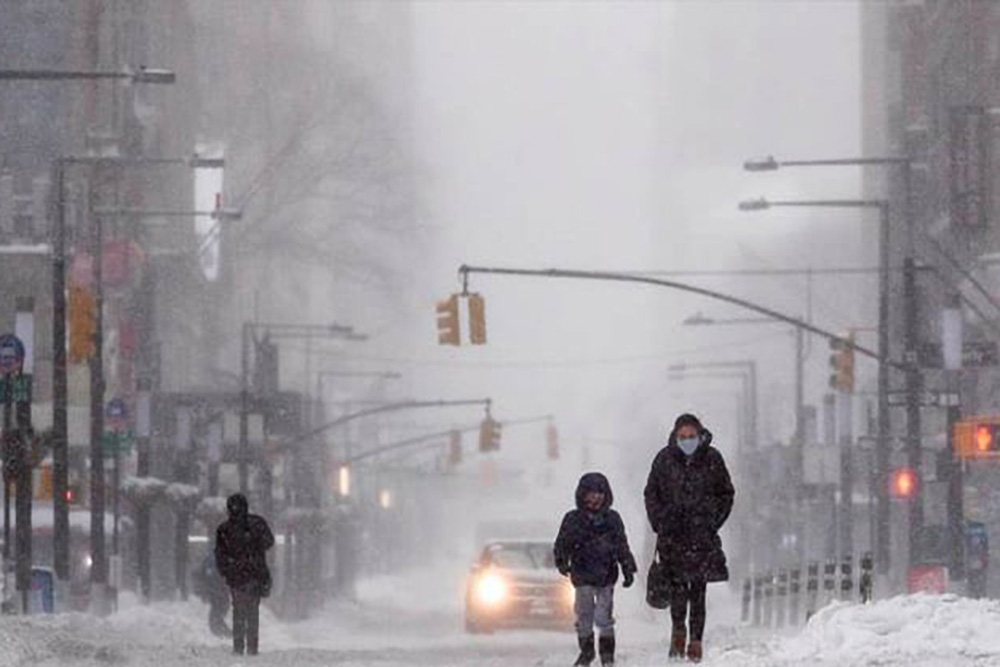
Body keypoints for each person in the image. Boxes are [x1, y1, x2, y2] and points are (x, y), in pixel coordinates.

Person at [644, 413, 734, 663]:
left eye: (691, 436)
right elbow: (651, 493)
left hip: (701, 537)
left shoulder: (712, 459)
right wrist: (660, 521)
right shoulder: (664, 460)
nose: (687, 441)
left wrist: (712, 520)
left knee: (698, 591)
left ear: (700, 435)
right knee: (677, 590)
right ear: (675, 436)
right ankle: (678, 632)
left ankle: (696, 640)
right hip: (673, 537)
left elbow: (726, 493)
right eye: (682, 437)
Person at [554, 472, 637, 667]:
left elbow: (621, 545)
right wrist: (562, 561)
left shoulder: (612, 519)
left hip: (606, 575)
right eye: (591, 493)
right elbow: (562, 543)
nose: (595, 498)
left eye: (600, 493)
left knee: (603, 617)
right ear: (583, 495)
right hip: (582, 575)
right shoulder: (572, 519)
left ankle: (607, 655)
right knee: (584, 615)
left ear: (606, 495)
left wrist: (627, 567)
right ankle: (587, 651)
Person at [215, 493, 275, 656]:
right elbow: (269, 542)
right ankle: (252, 646)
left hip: (237, 576)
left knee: (239, 611)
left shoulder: (224, 529)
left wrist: (227, 570)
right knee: (252, 611)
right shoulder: (257, 524)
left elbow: (220, 555)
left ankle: (238, 646)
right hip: (255, 574)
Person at [193, 546, 232, 638]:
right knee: (216, 618)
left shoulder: (211, 561)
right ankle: (227, 635)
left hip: (218, 594)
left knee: (215, 618)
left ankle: (228, 635)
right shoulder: (216, 561)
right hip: (219, 594)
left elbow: (207, 576)